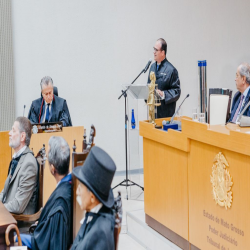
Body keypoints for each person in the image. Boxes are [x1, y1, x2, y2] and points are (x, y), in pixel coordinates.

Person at [18, 136, 72, 250]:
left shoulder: (60, 202)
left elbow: (49, 242)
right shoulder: (69, 184)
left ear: (52, 169)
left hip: (41, 242)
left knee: (13, 238)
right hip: (43, 235)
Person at [71, 146, 116, 250]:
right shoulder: (94, 212)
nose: (77, 192)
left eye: (80, 187)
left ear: (92, 196)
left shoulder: (100, 233)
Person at [0, 117, 37, 214]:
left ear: (22, 136)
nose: (9, 133)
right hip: (8, 216)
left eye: (13, 130)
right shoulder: (18, 158)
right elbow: (4, 193)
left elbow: (18, 205)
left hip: (18, 224)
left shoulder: (29, 164)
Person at [148, 38, 181, 118]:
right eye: (154, 49)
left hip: (165, 116)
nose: (154, 52)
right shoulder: (152, 67)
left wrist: (163, 94)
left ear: (163, 52)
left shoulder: (171, 70)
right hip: (153, 114)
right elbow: (148, 86)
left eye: (156, 50)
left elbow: (176, 91)